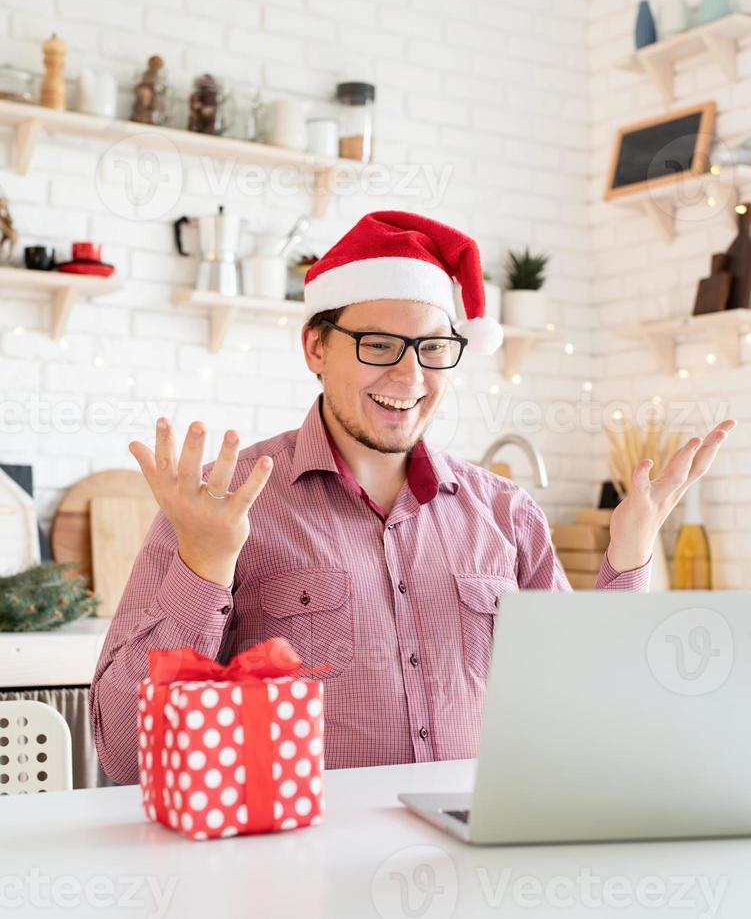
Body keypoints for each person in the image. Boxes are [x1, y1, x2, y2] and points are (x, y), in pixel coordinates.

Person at [89, 211, 736, 784]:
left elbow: (588, 712)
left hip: (475, 860)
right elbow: (125, 754)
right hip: (298, 870)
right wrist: (203, 565)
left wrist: (629, 554)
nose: (409, 375)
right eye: (377, 345)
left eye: (432, 348)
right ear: (315, 346)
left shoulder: (506, 515)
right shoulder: (221, 505)